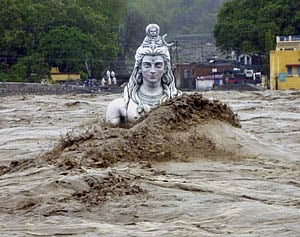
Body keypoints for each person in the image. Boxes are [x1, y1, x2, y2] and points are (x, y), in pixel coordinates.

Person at [106, 24, 181, 125]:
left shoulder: (177, 100)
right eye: (147, 65)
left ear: (165, 68)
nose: (153, 70)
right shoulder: (122, 104)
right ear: (139, 68)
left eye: (158, 65)